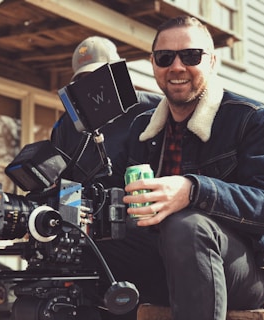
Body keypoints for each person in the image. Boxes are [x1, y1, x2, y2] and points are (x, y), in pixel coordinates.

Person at [122, 16, 264, 320]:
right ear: (153, 63)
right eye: (165, 57)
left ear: (212, 62)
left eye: (190, 56)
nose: (176, 67)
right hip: (162, 263)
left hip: (242, 270)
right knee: (85, 246)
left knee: (186, 226)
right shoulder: (141, 128)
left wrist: (193, 190)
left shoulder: (251, 119)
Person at [51, 36, 169, 319]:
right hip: (84, 230)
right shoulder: (67, 125)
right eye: (82, 80)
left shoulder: (151, 110)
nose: (90, 88)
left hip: (142, 227)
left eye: (97, 77)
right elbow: (65, 182)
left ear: (116, 74)